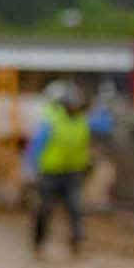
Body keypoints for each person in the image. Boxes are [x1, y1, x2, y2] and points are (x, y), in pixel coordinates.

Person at [30, 81, 94, 256]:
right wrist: (31, 167)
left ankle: (76, 241)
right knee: (45, 208)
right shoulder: (51, 121)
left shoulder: (82, 121)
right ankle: (38, 241)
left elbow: (90, 139)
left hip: (73, 172)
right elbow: (36, 145)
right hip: (51, 172)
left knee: (75, 208)